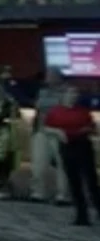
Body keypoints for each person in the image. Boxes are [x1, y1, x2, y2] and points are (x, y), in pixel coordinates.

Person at [44, 87, 100, 226]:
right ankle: (82, 215)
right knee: (74, 182)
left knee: (91, 181)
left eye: (76, 93)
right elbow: (46, 127)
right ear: (63, 95)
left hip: (82, 146)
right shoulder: (56, 112)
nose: (74, 96)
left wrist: (83, 130)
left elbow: (91, 127)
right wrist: (58, 132)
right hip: (66, 147)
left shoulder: (83, 111)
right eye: (71, 93)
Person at [30, 69, 71, 205]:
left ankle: (63, 195)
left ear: (58, 77)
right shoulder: (43, 92)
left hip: (60, 131)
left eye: (50, 76)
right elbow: (38, 111)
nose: (47, 78)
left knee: (62, 165)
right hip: (42, 131)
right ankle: (38, 193)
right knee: (38, 164)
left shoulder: (68, 91)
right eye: (47, 76)